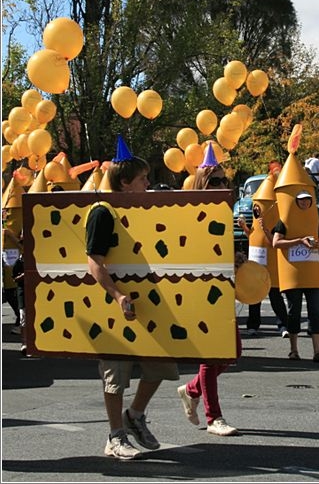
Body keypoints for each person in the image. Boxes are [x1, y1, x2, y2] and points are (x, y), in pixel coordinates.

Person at [86, 135, 179, 460]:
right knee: (116, 376)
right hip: (115, 307)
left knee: (162, 366)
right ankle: (115, 436)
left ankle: (135, 416)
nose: (149, 183)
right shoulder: (102, 213)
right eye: (143, 179)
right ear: (125, 183)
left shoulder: (145, 212)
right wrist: (116, 295)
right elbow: (94, 261)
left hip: (150, 303)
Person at [177, 146, 242, 436]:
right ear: (203, 183)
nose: (221, 185)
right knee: (211, 352)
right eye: (215, 180)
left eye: (223, 179)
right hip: (201, 288)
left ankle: (191, 390)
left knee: (232, 352)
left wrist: (234, 259)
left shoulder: (224, 211)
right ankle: (213, 417)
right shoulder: (191, 212)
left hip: (223, 286)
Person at [272, 190, 319, 362]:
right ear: (295, 202)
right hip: (294, 274)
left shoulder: (315, 219)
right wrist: (299, 241)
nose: (305, 203)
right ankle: (294, 350)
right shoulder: (284, 220)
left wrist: (318, 246)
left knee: (315, 313)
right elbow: (276, 242)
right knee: (294, 312)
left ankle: (317, 350)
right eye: (301, 200)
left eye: (307, 200)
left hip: (313, 273)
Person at [237, 211, 288, 337]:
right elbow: (252, 236)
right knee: (254, 297)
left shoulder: (276, 221)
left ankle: (284, 325)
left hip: (270, 266)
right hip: (256, 265)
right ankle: (253, 325)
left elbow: (274, 243)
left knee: (275, 296)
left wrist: (265, 228)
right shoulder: (256, 222)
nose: (257, 212)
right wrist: (244, 227)